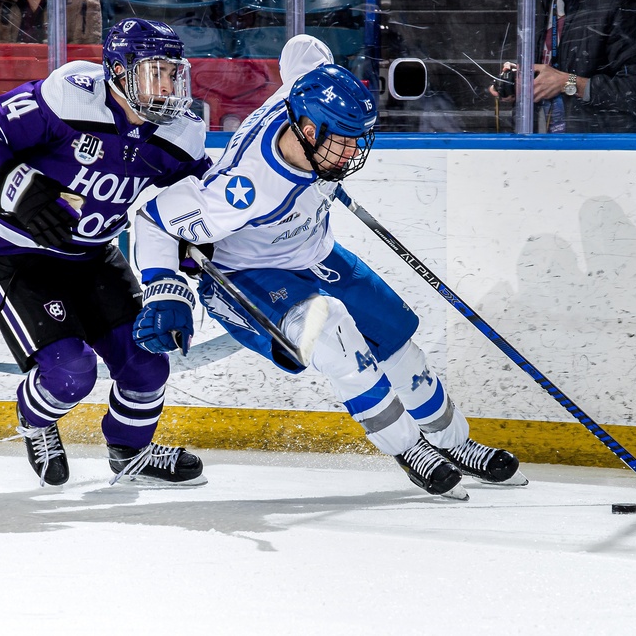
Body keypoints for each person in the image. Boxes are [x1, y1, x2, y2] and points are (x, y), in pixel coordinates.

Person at [130, 34, 526, 501]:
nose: (352, 153)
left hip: (313, 252)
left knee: (395, 340)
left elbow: (302, 47)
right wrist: (161, 285)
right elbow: (153, 219)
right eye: (342, 142)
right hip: (249, 275)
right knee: (335, 334)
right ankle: (407, 447)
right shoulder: (246, 189)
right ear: (308, 131)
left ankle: (455, 444)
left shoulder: (305, 96)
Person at [0, 18, 212, 486]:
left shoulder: (180, 134)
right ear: (118, 71)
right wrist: (18, 189)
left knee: (147, 363)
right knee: (71, 373)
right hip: (12, 255)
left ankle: (131, 452)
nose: (169, 87)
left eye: (174, 73)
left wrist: (196, 238)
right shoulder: (69, 97)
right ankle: (35, 421)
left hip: (91, 258)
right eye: (156, 72)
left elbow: (192, 198)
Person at [490, 0, 636, 133]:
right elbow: (553, 65)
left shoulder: (618, 0)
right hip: (538, 145)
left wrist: (568, 83)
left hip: (592, 148)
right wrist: (518, 82)